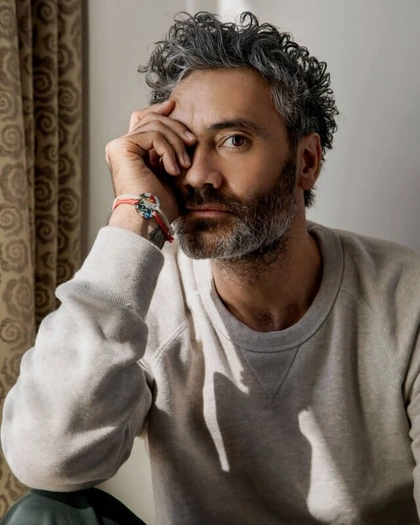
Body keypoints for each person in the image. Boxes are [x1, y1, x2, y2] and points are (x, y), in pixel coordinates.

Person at [2, 10, 420, 525]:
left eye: (234, 140)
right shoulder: (147, 296)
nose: (198, 175)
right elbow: (46, 458)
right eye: (182, 146)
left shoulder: (404, 299)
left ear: (306, 161)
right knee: (42, 515)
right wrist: (135, 214)